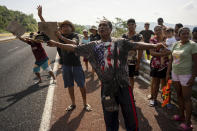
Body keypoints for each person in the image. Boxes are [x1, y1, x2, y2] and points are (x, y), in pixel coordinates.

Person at [47, 19, 164, 131]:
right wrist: (57, 43)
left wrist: (154, 46)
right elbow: (75, 48)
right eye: (100, 26)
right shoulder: (93, 45)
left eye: (105, 25)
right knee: (110, 118)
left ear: (111, 29)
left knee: (130, 117)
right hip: (107, 88)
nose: (101, 27)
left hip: (124, 86)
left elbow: (137, 45)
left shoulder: (120, 42)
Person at [37, 5, 92, 111]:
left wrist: (60, 38)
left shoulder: (75, 35)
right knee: (70, 85)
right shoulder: (58, 36)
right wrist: (40, 16)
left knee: (81, 85)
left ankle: (85, 103)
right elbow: (48, 29)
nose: (65, 28)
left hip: (76, 65)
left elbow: (74, 44)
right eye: (63, 27)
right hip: (65, 66)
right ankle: (73, 104)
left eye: (68, 26)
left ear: (71, 28)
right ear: (60, 29)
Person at [166, 27, 197, 130]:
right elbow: (171, 60)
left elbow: (196, 63)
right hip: (175, 73)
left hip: (186, 75)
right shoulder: (176, 44)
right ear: (179, 35)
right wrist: (168, 73)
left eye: (187, 33)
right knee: (179, 95)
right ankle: (181, 115)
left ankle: (188, 123)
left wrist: (193, 77)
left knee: (187, 98)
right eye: (183, 33)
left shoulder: (193, 45)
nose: (186, 35)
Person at [149, 25, 171, 107]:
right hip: (155, 64)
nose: (158, 31)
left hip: (166, 64)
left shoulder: (167, 39)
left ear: (162, 30)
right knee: (155, 83)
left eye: (159, 29)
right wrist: (163, 54)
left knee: (165, 84)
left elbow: (171, 50)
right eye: (156, 30)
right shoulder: (152, 40)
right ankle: (154, 99)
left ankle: (166, 101)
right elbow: (152, 53)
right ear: (154, 31)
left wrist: (163, 54)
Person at [122, 18, 143, 92]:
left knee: (131, 77)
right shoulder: (124, 36)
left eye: (132, 24)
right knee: (123, 77)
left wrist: (138, 63)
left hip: (133, 61)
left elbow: (140, 50)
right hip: (124, 60)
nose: (131, 26)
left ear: (135, 25)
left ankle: (131, 94)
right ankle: (125, 94)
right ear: (127, 26)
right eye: (129, 25)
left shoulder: (139, 36)